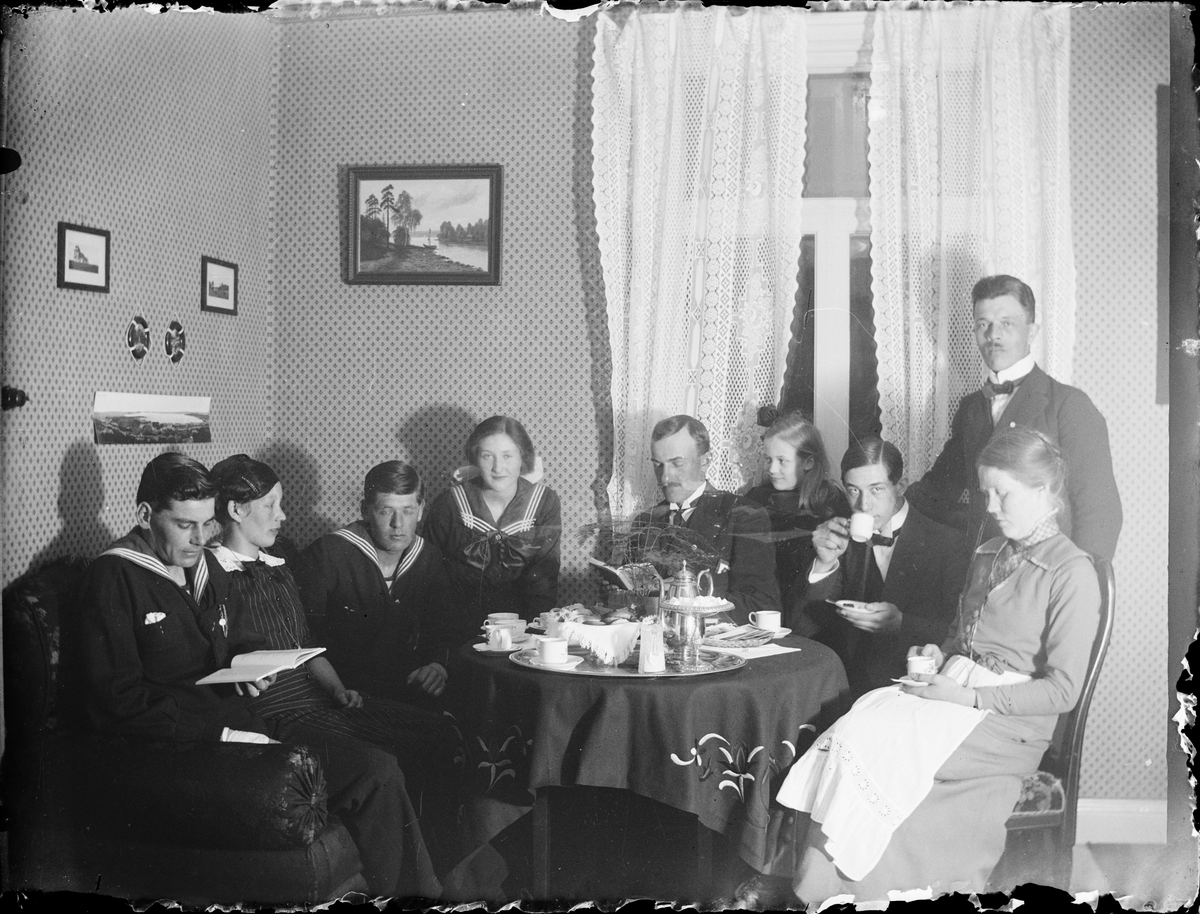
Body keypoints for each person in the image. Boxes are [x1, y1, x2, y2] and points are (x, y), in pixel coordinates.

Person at [62, 452, 439, 900]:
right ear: (145, 515)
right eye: (185, 525)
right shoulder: (114, 577)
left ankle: (419, 900)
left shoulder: (202, 567)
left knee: (379, 766)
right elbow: (116, 702)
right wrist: (219, 733)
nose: (200, 538)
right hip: (191, 748)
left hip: (248, 722)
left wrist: (244, 671)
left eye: (207, 524)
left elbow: (232, 645)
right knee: (372, 770)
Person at [774, 427, 1101, 902]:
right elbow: (957, 635)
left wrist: (967, 696)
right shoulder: (989, 553)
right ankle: (828, 893)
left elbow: (1063, 690)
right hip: (955, 691)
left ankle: (863, 894)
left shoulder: (1071, 571)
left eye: (1002, 494)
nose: (990, 506)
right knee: (855, 724)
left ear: (1044, 491)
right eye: (986, 493)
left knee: (876, 744)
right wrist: (940, 654)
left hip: (1008, 723)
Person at [209, 455, 459, 806]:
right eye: (386, 511)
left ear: (421, 509)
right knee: (391, 757)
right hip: (298, 703)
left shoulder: (277, 564)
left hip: (343, 692)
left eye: (408, 511)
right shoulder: (323, 555)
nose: (398, 524)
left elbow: (305, 643)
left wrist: (437, 663)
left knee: (442, 732)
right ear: (366, 510)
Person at [906, 274, 1122, 561]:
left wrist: (1079, 580)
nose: (993, 335)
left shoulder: (1068, 405)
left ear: (1031, 332)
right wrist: (881, 504)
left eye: (1007, 323)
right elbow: (938, 492)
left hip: (1047, 573)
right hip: (983, 572)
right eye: (983, 324)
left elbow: (1100, 512)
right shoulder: (970, 409)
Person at [795, 437, 969, 696]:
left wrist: (901, 623)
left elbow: (959, 633)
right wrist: (824, 563)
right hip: (845, 686)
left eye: (876, 489)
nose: (863, 505)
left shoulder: (947, 542)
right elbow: (801, 629)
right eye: (854, 490)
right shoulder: (836, 536)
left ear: (901, 486)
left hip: (912, 688)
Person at [630, 415, 780, 625]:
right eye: (658, 465)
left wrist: (686, 601)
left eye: (677, 463)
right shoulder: (645, 521)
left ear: (706, 460)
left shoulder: (744, 515)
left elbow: (761, 605)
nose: (664, 478)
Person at [424, 416, 561, 631]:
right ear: (475, 458)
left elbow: (544, 583)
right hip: (457, 631)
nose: (498, 467)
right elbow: (430, 581)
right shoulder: (449, 504)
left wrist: (532, 637)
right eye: (487, 456)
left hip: (524, 632)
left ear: (523, 457)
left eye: (507, 455)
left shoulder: (544, 503)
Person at [744, 410, 850, 616]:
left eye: (782, 461)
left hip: (807, 609)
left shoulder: (829, 503)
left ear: (808, 462)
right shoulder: (757, 498)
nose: (772, 469)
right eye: (768, 459)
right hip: (760, 608)